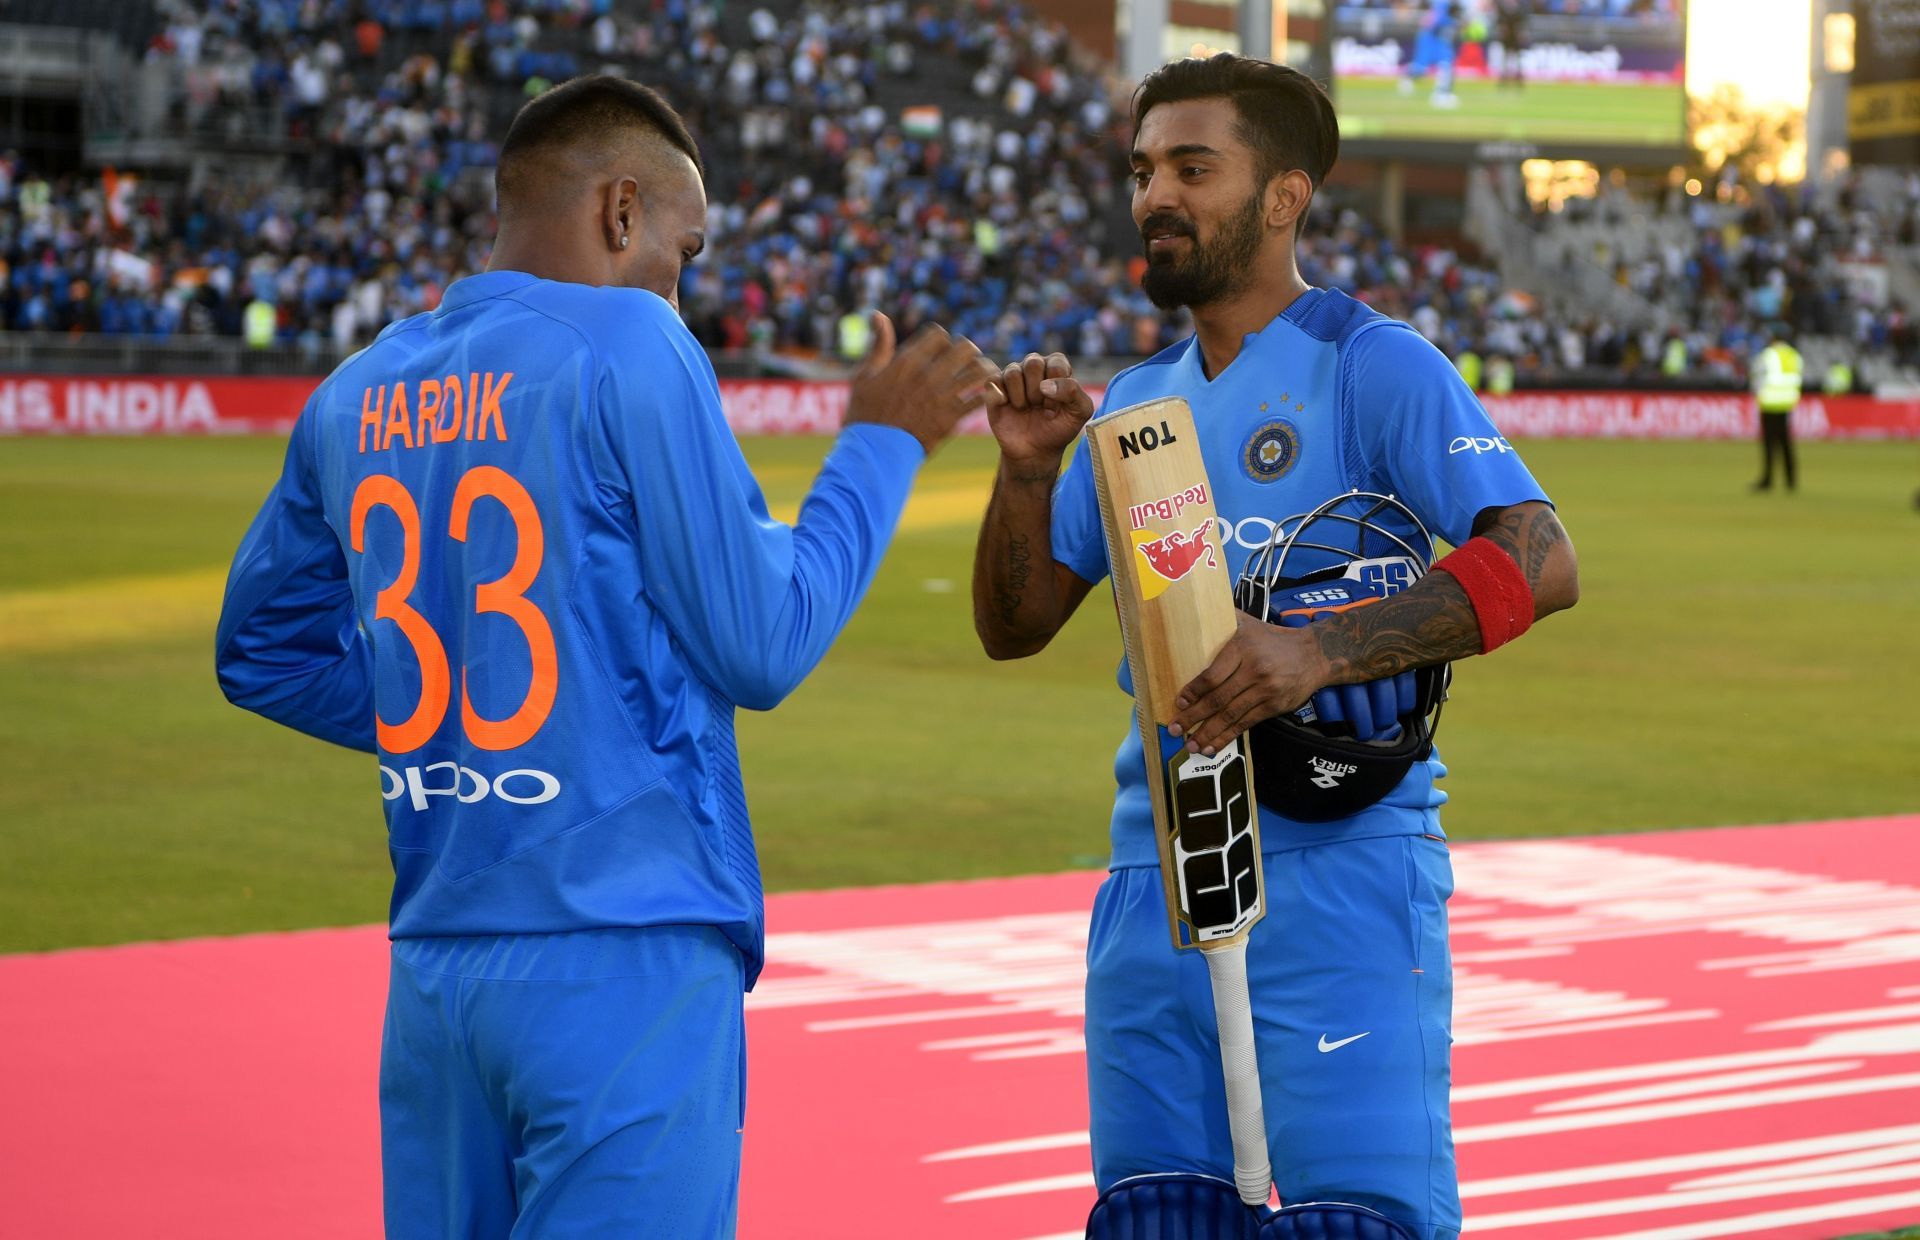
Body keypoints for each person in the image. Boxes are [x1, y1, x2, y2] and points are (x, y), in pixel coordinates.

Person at [216, 75, 996, 1238]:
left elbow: (262, 653)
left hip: (437, 976)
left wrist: (474, 715)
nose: (682, 291)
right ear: (621, 212)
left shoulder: (355, 388)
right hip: (626, 956)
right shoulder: (632, 340)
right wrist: (879, 449)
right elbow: (763, 643)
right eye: (685, 252)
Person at [972, 54, 1579, 1239]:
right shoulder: (1138, 403)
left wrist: (1320, 650)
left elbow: (1543, 554)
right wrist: (1027, 470)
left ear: (1286, 195)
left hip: (1340, 875)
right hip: (1156, 875)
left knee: (1354, 1224)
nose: (1157, 195)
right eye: (1145, 169)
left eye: (1194, 168)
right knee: (1158, 1220)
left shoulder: (1373, 364)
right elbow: (1017, 620)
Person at [1751, 329, 1804, 492]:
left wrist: (1757, 395)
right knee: (1786, 443)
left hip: (1769, 403)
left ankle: (1768, 479)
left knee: (1769, 444)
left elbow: (1757, 377)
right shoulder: (1794, 356)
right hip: (1786, 402)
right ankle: (1791, 480)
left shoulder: (1768, 355)